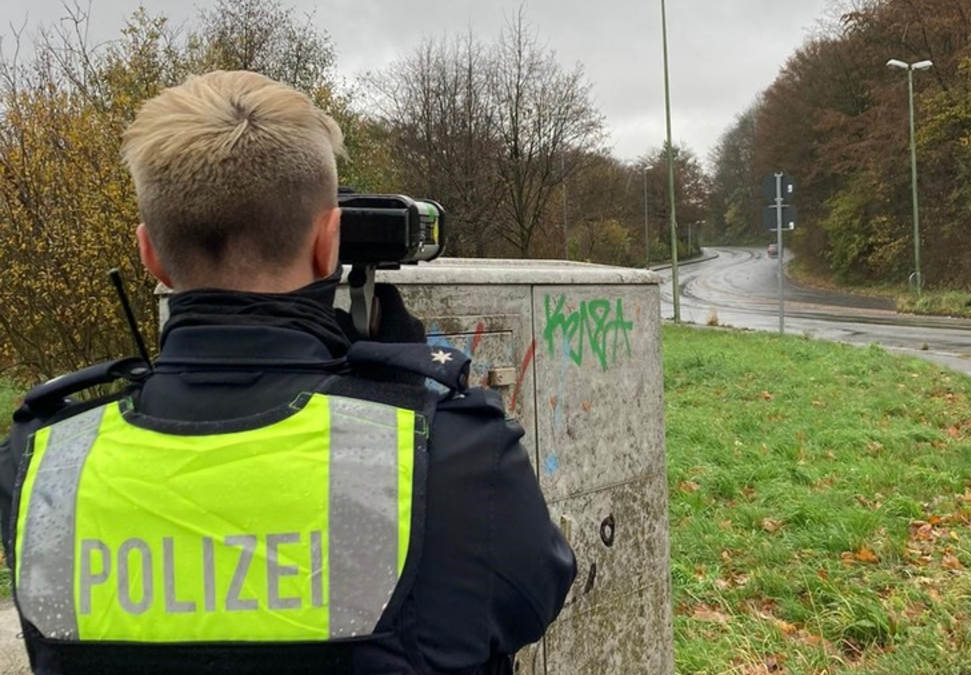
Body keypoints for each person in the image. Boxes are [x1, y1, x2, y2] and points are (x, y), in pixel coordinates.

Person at [0, 70, 575, 675]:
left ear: (152, 256)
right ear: (330, 244)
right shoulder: (457, 455)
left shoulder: (40, 463)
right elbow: (535, 595)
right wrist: (398, 391)